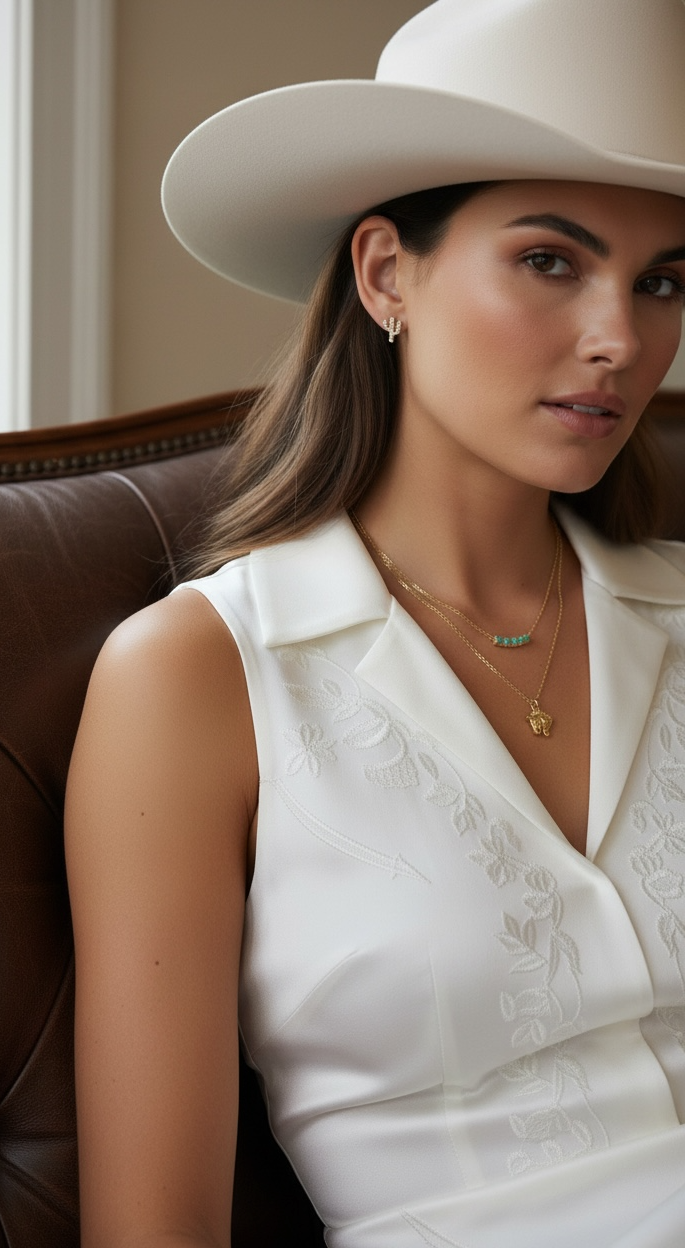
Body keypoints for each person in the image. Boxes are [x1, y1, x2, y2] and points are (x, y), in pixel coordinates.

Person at [64, 0, 685, 1244]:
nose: (622, 338)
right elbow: (152, 1227)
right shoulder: (199, 677)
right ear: (385, 273)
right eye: (550, 262)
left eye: (663, 280)